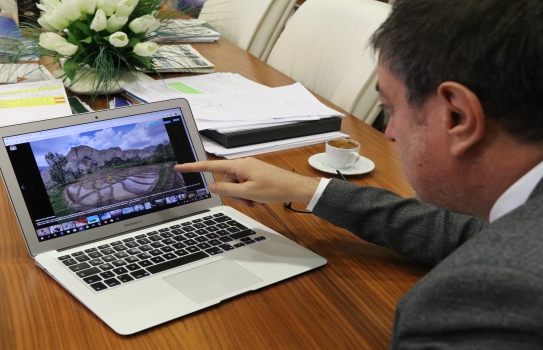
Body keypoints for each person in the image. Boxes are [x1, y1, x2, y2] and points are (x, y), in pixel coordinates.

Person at [175, 0, 543, 348]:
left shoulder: (484, 302)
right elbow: (473, 233)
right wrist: (307, 188)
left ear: (457, 116)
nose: (389, 133)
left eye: (389, 108)